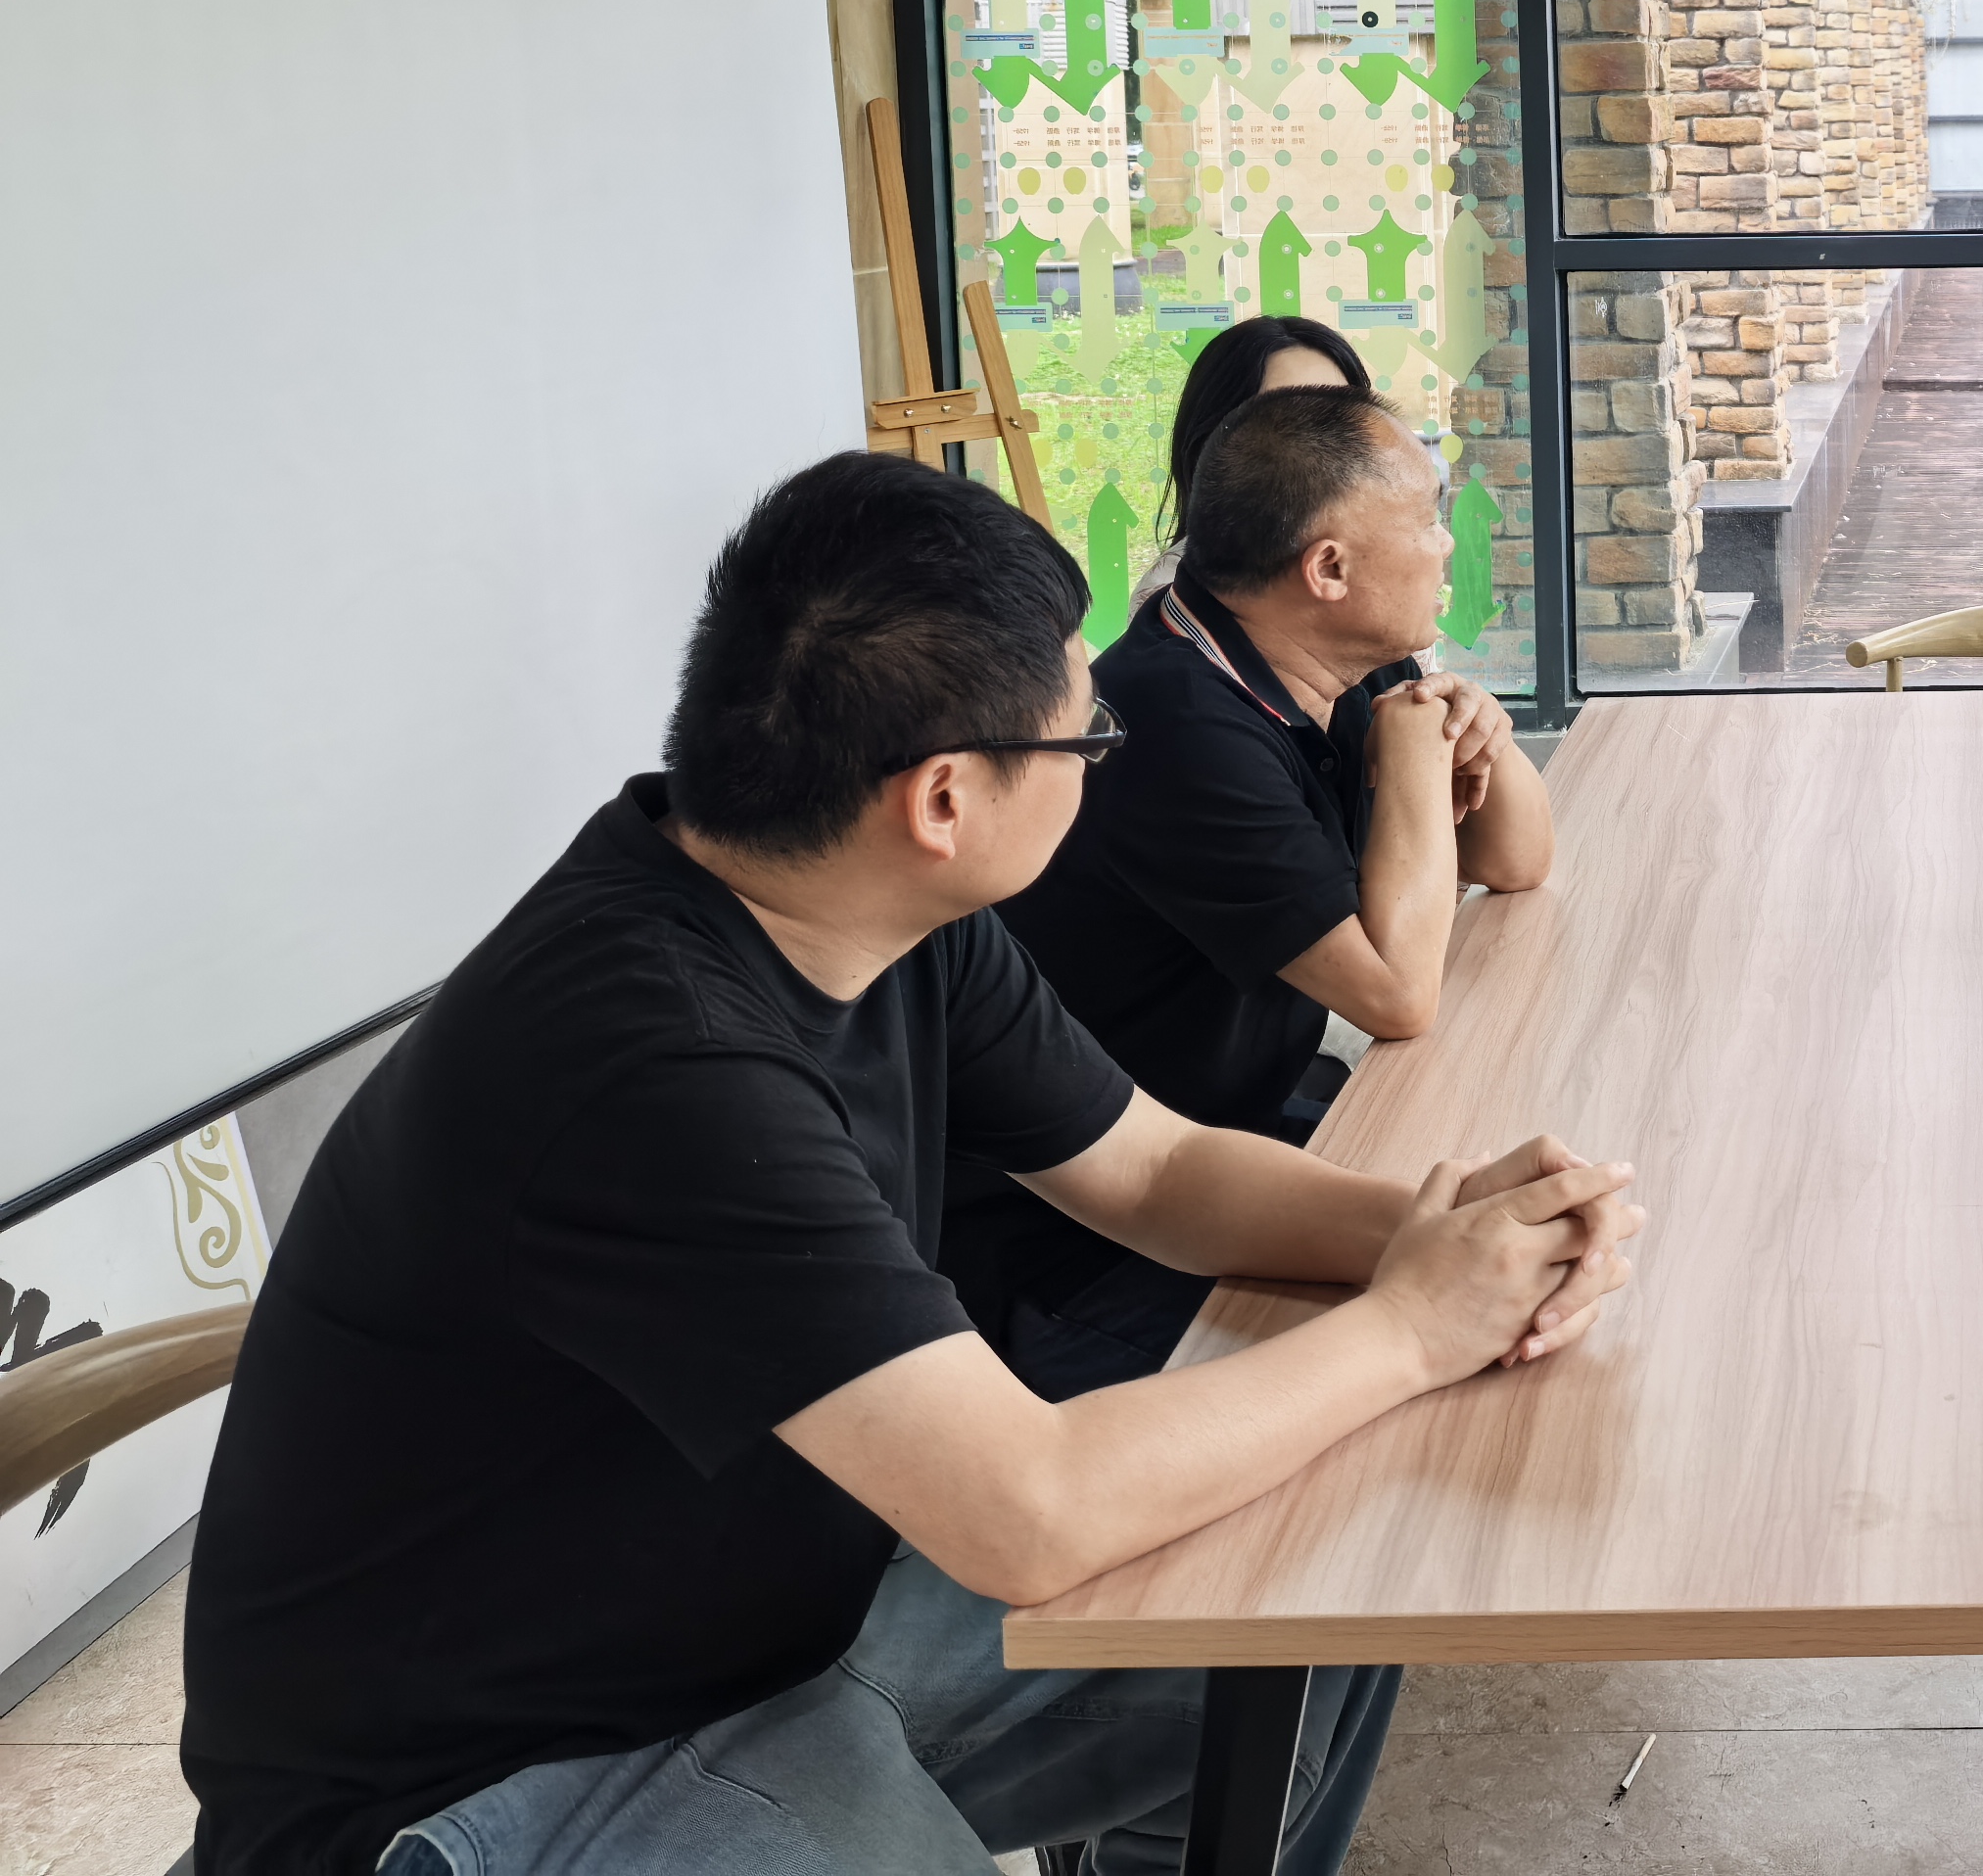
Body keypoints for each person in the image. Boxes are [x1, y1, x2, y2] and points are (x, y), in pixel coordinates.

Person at [180, 452, 1637, 1876]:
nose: (1104, 757)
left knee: (1320, 1596)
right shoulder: (653, 1063)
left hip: (767, 1623)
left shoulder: (866, 912)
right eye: (1088, 739)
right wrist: (1410, 1327)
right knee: (1289, 1460)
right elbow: (1027, 1513)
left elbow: (1155, 1173)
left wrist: (1451, 1232)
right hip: (500, 1782)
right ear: (943, 798)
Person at [947, 384, 1555, 1393]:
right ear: (1328, 569)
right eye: (1428, 517)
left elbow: (1518, 860)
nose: (1448, 543)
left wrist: (1470, 717)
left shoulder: (1327, 654)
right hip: (1085, 1246)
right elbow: (1395, 994)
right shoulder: (1177, 723)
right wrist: (1417, 753)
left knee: (1508, 1243)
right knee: (1472, 1364)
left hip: (1229, 1144)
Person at [1136, 312, 1372, 608]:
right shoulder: (1173, 597)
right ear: (1210, 444)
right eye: (1285, 420)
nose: (1322, 443)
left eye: (1341, 418)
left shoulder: (1390, 561)